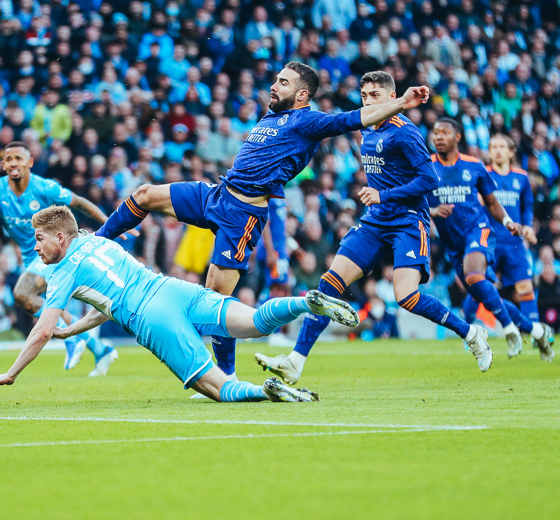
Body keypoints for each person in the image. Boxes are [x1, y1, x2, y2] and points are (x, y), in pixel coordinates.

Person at [96, 62, 430, 380]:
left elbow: (354, 119)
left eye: (283, 82)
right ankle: (96, 243)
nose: (273, 85)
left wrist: (401, 102)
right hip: (217, 194)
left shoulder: (307, 121)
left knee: (215, 300)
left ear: (301, 94)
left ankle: (226, 375)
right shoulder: (274, 115)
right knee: (144, 194)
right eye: (276, 79)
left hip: (241, 216)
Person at [0, 206, 360, 402]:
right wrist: (75, 328)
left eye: (39, 239)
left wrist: (12, 371)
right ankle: (306, 301)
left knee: (215, 388)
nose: (36, 247)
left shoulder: (62, 271)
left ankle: (264, 391)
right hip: (172, 288)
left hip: (152, 317)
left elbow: (42, 330)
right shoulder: (99, 242)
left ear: (60, 237)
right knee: (255, 323)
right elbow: (106, 301)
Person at [257, 72, 491, 383]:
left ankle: (471, 332)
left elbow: (429, 179)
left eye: (375, 96)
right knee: (327, 287)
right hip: (375, 222)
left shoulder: (405, 132)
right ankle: (295, 362)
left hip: (408, 221)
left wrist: (384, 194)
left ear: (392, 97)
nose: (368, 101)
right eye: (365, 96)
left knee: (406, 296)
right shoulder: (367, 129)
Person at [0, 141, 135, 376]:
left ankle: (71, 338)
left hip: (57, 251)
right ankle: (100, 350)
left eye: (18, 158)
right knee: (43, 301)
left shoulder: (44, 187)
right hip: (33, 256)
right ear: (3, 165)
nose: (13, 163)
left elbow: (80, 202)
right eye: (8, 159)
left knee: (23, 293)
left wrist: (112, 223)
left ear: (29, 162)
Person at [428, 120, 552, 362]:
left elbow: (517, 205)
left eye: (445, 132)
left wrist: (519, 225)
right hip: (454, 243)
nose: (439, 137)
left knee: (496, 283)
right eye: (435, 133)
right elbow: (416, 198)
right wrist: (432, 212)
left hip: (486, 235)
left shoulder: (507, 174)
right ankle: (537, 331)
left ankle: (495, 330)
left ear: (458, 136)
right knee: (483, 292)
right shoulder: (427, 167)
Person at [461, 134, 547, 359]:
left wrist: (527, 226)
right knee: (479, 286)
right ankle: (468, 331)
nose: (497, 151)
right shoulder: (482, 174)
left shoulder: (521, 177)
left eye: (502, 147)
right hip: (487, 239)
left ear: (511, 152)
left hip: (513, 243)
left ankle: (537, 335)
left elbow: (527, 205)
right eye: (493, 147)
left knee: (525, 289)